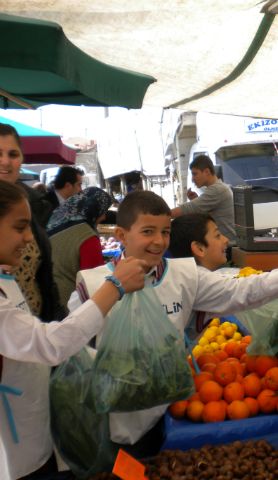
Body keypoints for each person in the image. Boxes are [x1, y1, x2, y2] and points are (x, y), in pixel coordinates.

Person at [67, 191, 278, 455]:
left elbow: (241, 291)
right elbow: (71, 350)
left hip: (171, 412)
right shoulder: (92, 284)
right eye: (148, 232)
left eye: (165, 232)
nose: (159, 241)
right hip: (114, 421)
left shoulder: (185, 276)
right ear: (121, 235)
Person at [0, 179, 146, 480]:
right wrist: (114, 287)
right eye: (19, 227)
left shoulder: (6, 276)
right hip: (13, 446)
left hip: (34, 425)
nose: (30, 237)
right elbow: (49, 344)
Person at [0, 123, 65, 322]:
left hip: (37, 327)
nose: (5, 162)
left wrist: (58, 321)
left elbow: (45, 274)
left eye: (13, 154)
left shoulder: (36, 205)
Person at [46, 187, 113, 307]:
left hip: (49, 298)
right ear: (92, 209)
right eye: (103, 211)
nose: (103, 217)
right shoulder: (87, 237)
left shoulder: (55, 222)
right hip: (70, 305)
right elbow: (93, 282)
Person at [170, 155, 236, 259]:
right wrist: (195, 199)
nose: (192, 179)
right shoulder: (218, 187)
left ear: (206, 172)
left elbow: (189, 208)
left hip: (226, 249)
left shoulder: (216, 189)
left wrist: (163, 215)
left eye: (195, 174)